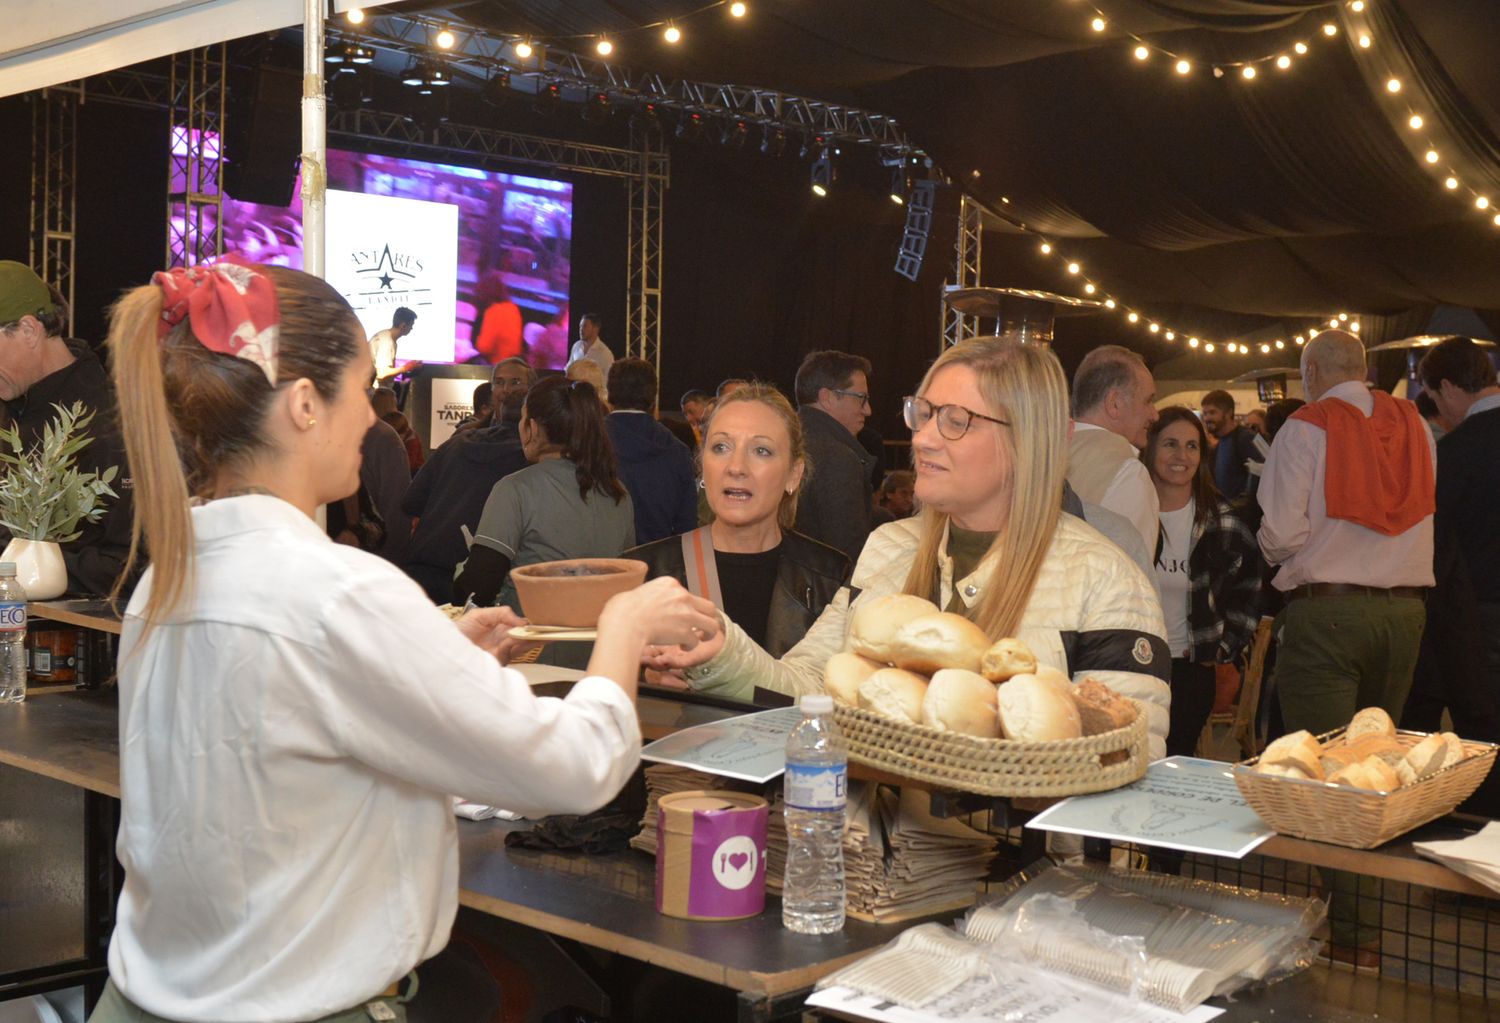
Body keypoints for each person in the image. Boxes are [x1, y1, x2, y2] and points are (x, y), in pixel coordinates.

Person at [94, 258, 719, 1023]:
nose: (373, 415)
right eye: (362, 389)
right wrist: (620, 625)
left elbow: (285, 744)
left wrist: (439, 655)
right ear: (302, 405)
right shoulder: (338, 595)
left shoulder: (170, 577)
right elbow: (577, 765)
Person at [647, 337, 1172, 759]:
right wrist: (723, 654)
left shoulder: (1106, 580)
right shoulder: (888, 549)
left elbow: (1125, 763)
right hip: (871, 874)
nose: (922, 439)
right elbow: (807, 686)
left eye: (956, 420)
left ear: (1025, 440)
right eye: (923, 414)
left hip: (1023, 884)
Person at [1257, 329, 1434, 963]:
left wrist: (1279, 558)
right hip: (1407, 617)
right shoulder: (1417, 424)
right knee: (1377, 768)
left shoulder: (1306, 426)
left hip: (1328, 615)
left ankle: (1356, 939)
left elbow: (1280, 534)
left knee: (1331, 778)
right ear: (1363, 369)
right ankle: (1355, 906)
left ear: (1310, 373)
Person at [628, 384, 851, 696]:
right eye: (721, 448)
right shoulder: (645, 572)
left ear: (793, 474)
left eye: (761, 451)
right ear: (702, 463)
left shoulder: (833, 579)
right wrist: (644, 681)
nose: (736, 467)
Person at [1404, 338, 1500, 815]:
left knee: (1484, 736)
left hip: (1477, 616)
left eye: (1436, 399)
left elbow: (1439, 550)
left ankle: (1479, 867)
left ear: (1445, 387)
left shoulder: (1454, 453)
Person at [0, 260, 133, 596]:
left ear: (29, 331)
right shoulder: (8, 403)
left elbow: (134, 567)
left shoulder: (116, 425)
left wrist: (33, 568)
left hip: (72, 641)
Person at [1142, 408, 1263, 760]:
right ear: (1149, 448)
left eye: (1192, 446)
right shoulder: (1129, 512)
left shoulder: (1221, 520)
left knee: (1174, 766)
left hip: (1191, 669)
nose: (1182, 456)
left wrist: (1223, 650)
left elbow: (1251, 589)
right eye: (1170, 444)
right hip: (1134, 665)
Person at [454, 376, 636, 611]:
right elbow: (628, 575)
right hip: (602, 639)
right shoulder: (618, 494)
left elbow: (477, 587)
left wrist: (461, 575)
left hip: (529, 640)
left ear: (534, 428)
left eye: (522, 418)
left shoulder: (516, 490)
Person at [402, 391, 529, 603]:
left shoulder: (456, 444)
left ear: (497, 414)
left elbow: (411, 502)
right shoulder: (527, 463)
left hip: (421, 569)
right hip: (470, 580)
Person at [1067, 344, 1160, 554]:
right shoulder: (1128, 473)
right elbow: (1131, 575)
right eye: (1148, 401)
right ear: (1114, 404)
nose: (1155, 414)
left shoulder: (1041, 451)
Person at [792, 350, 876, 565]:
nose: (868, 410)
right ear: (827, 398)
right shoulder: (839, 460)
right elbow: (848, 556)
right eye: (861, 398)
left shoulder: (783, 443)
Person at [606, 358, 698, 545]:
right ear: (653, 397)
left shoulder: (586, 443)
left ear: (609, 394)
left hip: (599, 567)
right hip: (658, 567)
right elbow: (687, 528)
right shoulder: (678, 451)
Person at [1200, 389, 1261, 500]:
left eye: (1212, 412)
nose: (1207, 418)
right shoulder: (1221, 443)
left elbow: (1261, 477)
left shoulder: (1246, 438)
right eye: (1205, 413)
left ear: (1228, 413)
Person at [471, 271, 524, 364]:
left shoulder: (493, 311)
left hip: (496, 366)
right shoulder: (513, 308)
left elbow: (484, 347)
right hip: (512, 365)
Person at [370, 306, 418, 384]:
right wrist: (406, 367)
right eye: (411, 325)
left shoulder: (385, 336)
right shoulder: (386, 342)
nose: (412, 328)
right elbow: (382, 373)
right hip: (374, 392)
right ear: (403, 326)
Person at [567, 313, 613, 377]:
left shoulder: (605, 353)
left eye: (584, 326)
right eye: (580, 326)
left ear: (595, 328)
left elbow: (608, 379)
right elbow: (569, 369)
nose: (581, 329)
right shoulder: (576, 346)